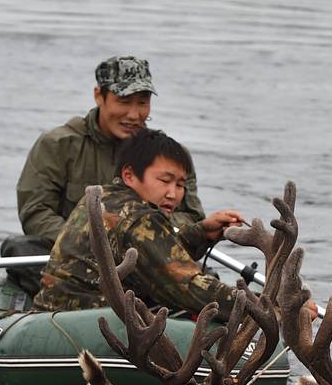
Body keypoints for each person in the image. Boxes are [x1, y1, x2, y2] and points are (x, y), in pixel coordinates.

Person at [6, 55, 242, 294]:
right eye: (124, 101)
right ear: (99, 96)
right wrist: (91, 243)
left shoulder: (169, 155)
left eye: (142, 102)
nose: (133, 114)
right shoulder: (57, 145)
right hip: (75, 257)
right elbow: (35, 213)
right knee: (20, 248)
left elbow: (190, 217)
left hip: (147, 257)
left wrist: (146, 237)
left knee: (204, 275)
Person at [34, 129, 246, 318]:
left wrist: (201, 234)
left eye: (181, 184)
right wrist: (258, 305)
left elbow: (152, 252)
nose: (173, 194)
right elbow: (188, 287)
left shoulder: (107, 197)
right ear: (129, 175)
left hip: (51, 314)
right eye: (165, 181)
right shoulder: (138, 217)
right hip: (87, 322)